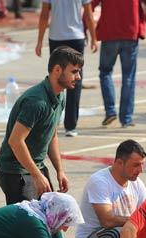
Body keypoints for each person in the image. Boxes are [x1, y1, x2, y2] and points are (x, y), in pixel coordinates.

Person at [0, 46, 82, 205]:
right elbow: (15, 141)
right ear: (57, 70)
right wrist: (36, 175)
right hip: (15, 171)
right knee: (29, 223)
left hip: (35, 167)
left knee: (50, 217)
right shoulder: (36, 102)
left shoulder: (60, 95)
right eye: (74, 71)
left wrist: (59, 170)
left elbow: (52, 135)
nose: (78, 77)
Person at [76, 140, 146, 238]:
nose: (141, 170)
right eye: (136, 165)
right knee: (117, 234)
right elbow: (107, 222)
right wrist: (136, 222)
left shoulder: (137, 183)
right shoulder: (100, 181)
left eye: (142, 164)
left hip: (123, 228)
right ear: (120, 163)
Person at [35, 0, 98, 137]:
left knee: (55, 80)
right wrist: (93, 37)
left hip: (57, 37)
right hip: (75, 37)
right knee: (75, 81)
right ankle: (71, 126)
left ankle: (52, 123)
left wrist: (40, 41)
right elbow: (88, 14)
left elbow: (44, 14)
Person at [93, 0, 146, 128]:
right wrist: (143, 19)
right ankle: (126, 118)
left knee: (105, 72)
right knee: (128, 77)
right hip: (130, 31)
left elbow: (90, 4)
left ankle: (110, 111)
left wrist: (86, 25)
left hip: (109, 32)